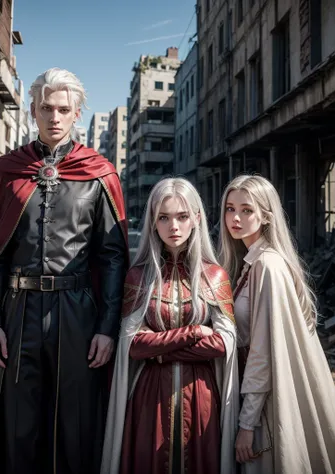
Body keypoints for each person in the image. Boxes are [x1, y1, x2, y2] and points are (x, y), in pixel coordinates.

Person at [0, 68, 128, 474]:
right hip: (18, 314)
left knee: (75, 422)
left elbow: (111, 257)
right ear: (33, 111)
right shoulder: (7, 171)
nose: (53, 117)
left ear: (76, 114)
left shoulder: (98, 173)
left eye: (63, 109)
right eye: (45, 108)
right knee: (18, 421)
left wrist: (107, 328)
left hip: (78, 313)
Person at [218, 175, 335, 474]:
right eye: (230, 208)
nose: (235, 217)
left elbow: (262, 354)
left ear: (266, 216)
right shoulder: (251, 261)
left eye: (247, 210)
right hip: (258, 396)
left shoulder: (267, 266)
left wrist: (247, 423)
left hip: (267, 405)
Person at [101, 178, 239, 474]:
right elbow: (132, 346)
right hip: (150, 399)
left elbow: (223, 344)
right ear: (153, 221)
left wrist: (159, 349)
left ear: (196, 220)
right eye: (164, 217)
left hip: (201, 397)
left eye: (182, 216)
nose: (173, 226)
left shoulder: (215, 276)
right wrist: (192, 332)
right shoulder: (138, 277)